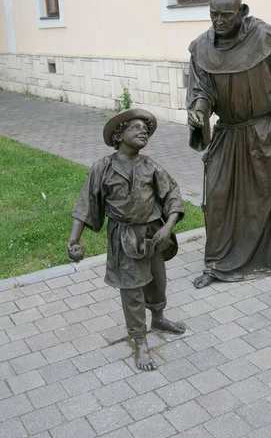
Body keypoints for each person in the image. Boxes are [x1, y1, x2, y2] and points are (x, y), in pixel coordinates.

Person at [187, 0, 271, 289]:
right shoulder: (202, 47)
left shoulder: (266, 37)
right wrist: (199, 111)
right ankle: (217, 264)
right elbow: (201, 91)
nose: (218, 21)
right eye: (213, 14)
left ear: (240, 12)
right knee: (218, 197)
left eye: (225, 15)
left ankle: (270, 257)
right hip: (227, 133)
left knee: (263, 199)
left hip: (263, 133)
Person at [66, 109, 185, 371]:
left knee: (157, 282)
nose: (143, 132)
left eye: (146, 130)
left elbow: (172, 194)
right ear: (119, 135)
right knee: (132, 289)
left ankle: (159, 318)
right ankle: (139, 340)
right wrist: (74, 239)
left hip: (153, 234)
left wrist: (169, 226)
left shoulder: (150, 166)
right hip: (124, 238)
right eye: (136, 128)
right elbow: (86, 204)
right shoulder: (103, 167)